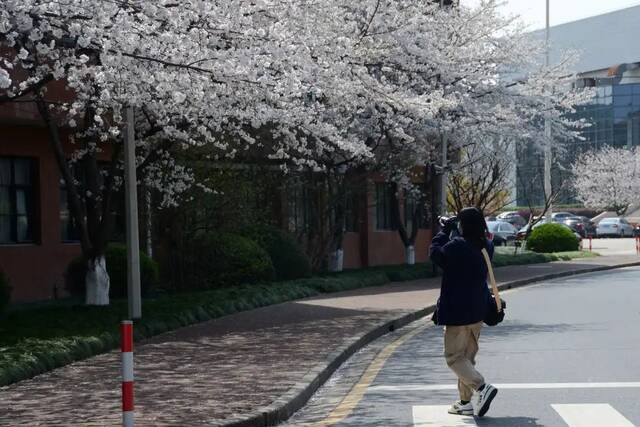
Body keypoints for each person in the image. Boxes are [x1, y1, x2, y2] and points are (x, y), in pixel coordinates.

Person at [429, 207, 498, 418]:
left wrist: (444, 231)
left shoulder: (457, 245)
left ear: (462, 225)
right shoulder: (486, 245)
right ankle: (465, 402)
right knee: (467, 357)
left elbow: (436, 255)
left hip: (458, 312)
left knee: (454, 357)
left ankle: (480, 386)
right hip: (478, 311)